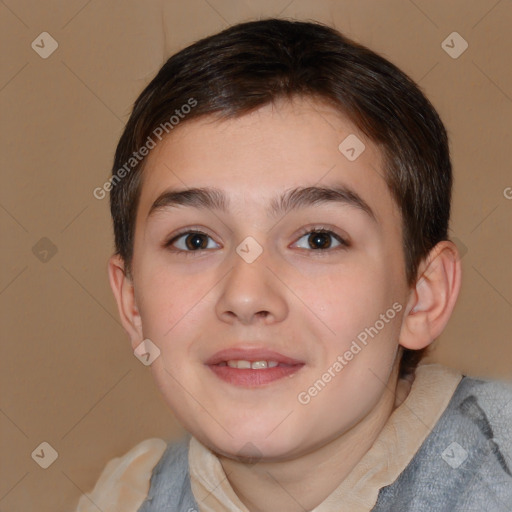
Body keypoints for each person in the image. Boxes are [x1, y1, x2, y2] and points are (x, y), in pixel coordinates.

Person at [76, 18, 512, 512]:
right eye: (195, 240)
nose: (245, 296)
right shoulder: (128, 498)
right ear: (132, 304)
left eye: (319, 239)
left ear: (422, 295)